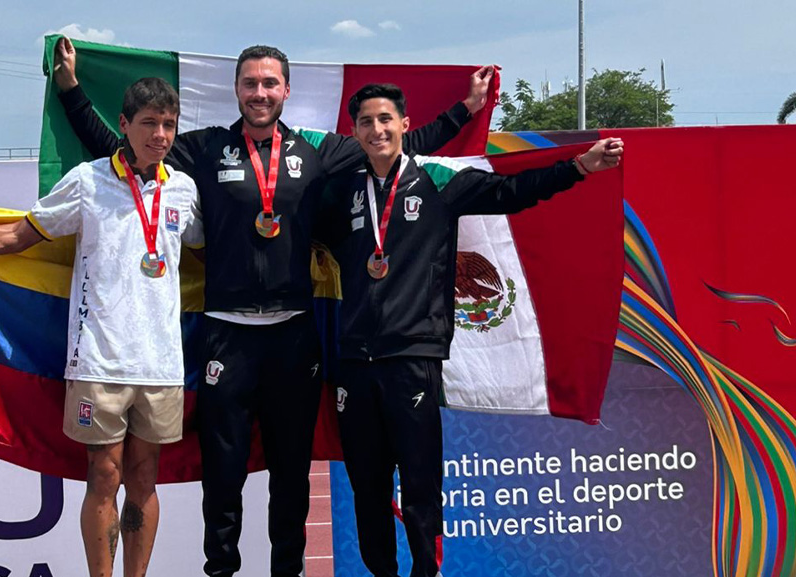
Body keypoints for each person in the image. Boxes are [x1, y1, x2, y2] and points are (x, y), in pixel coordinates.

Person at [52, 37, 494, 577]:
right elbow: (124, 145)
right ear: (236, 91)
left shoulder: (318, 151)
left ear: (285, 90)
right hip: (225, 337)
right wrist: (72, 90)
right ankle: (222, 571)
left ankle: (288, 570)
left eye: (269, 83)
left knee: (290, 472)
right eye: (249, 84)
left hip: (294, 336)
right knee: (224, 472)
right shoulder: (206, 148)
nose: (259, 93)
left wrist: (464, 111)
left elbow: (396, 147)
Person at [315, 83, 623, 577]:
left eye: (386, 119)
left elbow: (510, 192)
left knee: (419, 482)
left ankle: (426, 571)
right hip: (354, 359)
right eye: (367, 122)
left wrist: (579, 167)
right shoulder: (340, 192)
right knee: (367, 486)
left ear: (404, 125)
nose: (377, 129)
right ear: (355, 131)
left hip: (412, 357)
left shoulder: (436, 180)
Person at [0, 77, 202, 577]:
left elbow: (218, 250)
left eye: (169, 125)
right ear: (124, 126)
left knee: (145, 478)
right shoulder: (88, 182)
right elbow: (19, 235)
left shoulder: (185, 190)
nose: (160, 135)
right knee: (103, 475)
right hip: (99, 361)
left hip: (163, 363)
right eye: (149, 123)